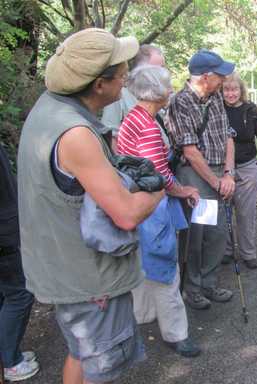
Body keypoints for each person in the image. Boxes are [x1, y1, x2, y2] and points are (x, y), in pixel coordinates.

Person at [17, 28, 164, 384]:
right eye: (121, 73)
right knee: (102, 368)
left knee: (81, 354)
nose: (127, 77)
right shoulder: (76, 134)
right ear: (100, 85)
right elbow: (127, 213)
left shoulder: (47, 107)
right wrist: (158, 189)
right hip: (89, 281)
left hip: (62, 268)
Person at [117, 64, 201, 357]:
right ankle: (177, 334)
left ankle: (142, 316)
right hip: (151, 208)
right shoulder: (149, 126)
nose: (170, 91)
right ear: (156, 92)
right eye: (167, 86)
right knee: (166, 270)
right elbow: (159, 178)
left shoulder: (133, 118)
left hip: (134, 205)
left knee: (142, 265)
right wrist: (186, 190)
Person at [166, 49, 236, 310]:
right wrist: (216, 182)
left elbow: (228, 135)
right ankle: (192, 288)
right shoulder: (180, 102)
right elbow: (190, 151)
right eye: (220, 75)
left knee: (219, 234)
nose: (224, 80)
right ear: (206, 77)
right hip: (196, 175)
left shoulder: (215, 96)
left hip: (220, 173)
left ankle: (209, 282)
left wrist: (228, 174)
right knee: (198, 235)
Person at [221, 72, 257, 269]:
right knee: (224, 213)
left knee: (245, 214)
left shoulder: (251, 110)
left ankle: (247, 253)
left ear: (241, 91)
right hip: (222, 169)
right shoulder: (217, 109)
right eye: (226, 89)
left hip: (247, 167)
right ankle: (226, 251)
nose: (231, 93)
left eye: (234, 89)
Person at [0, 144, 39, 382]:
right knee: (20, 294)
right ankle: (11, 361)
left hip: (6, 227)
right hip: (4, 233)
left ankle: (9, 354)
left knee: (7, 295)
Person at [102, 44, 166, 152]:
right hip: (142, 166)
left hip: (165, 161)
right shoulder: (119, 95)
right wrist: (122, 167)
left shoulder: (156, 93)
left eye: (163, 68)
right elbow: (111, 137)